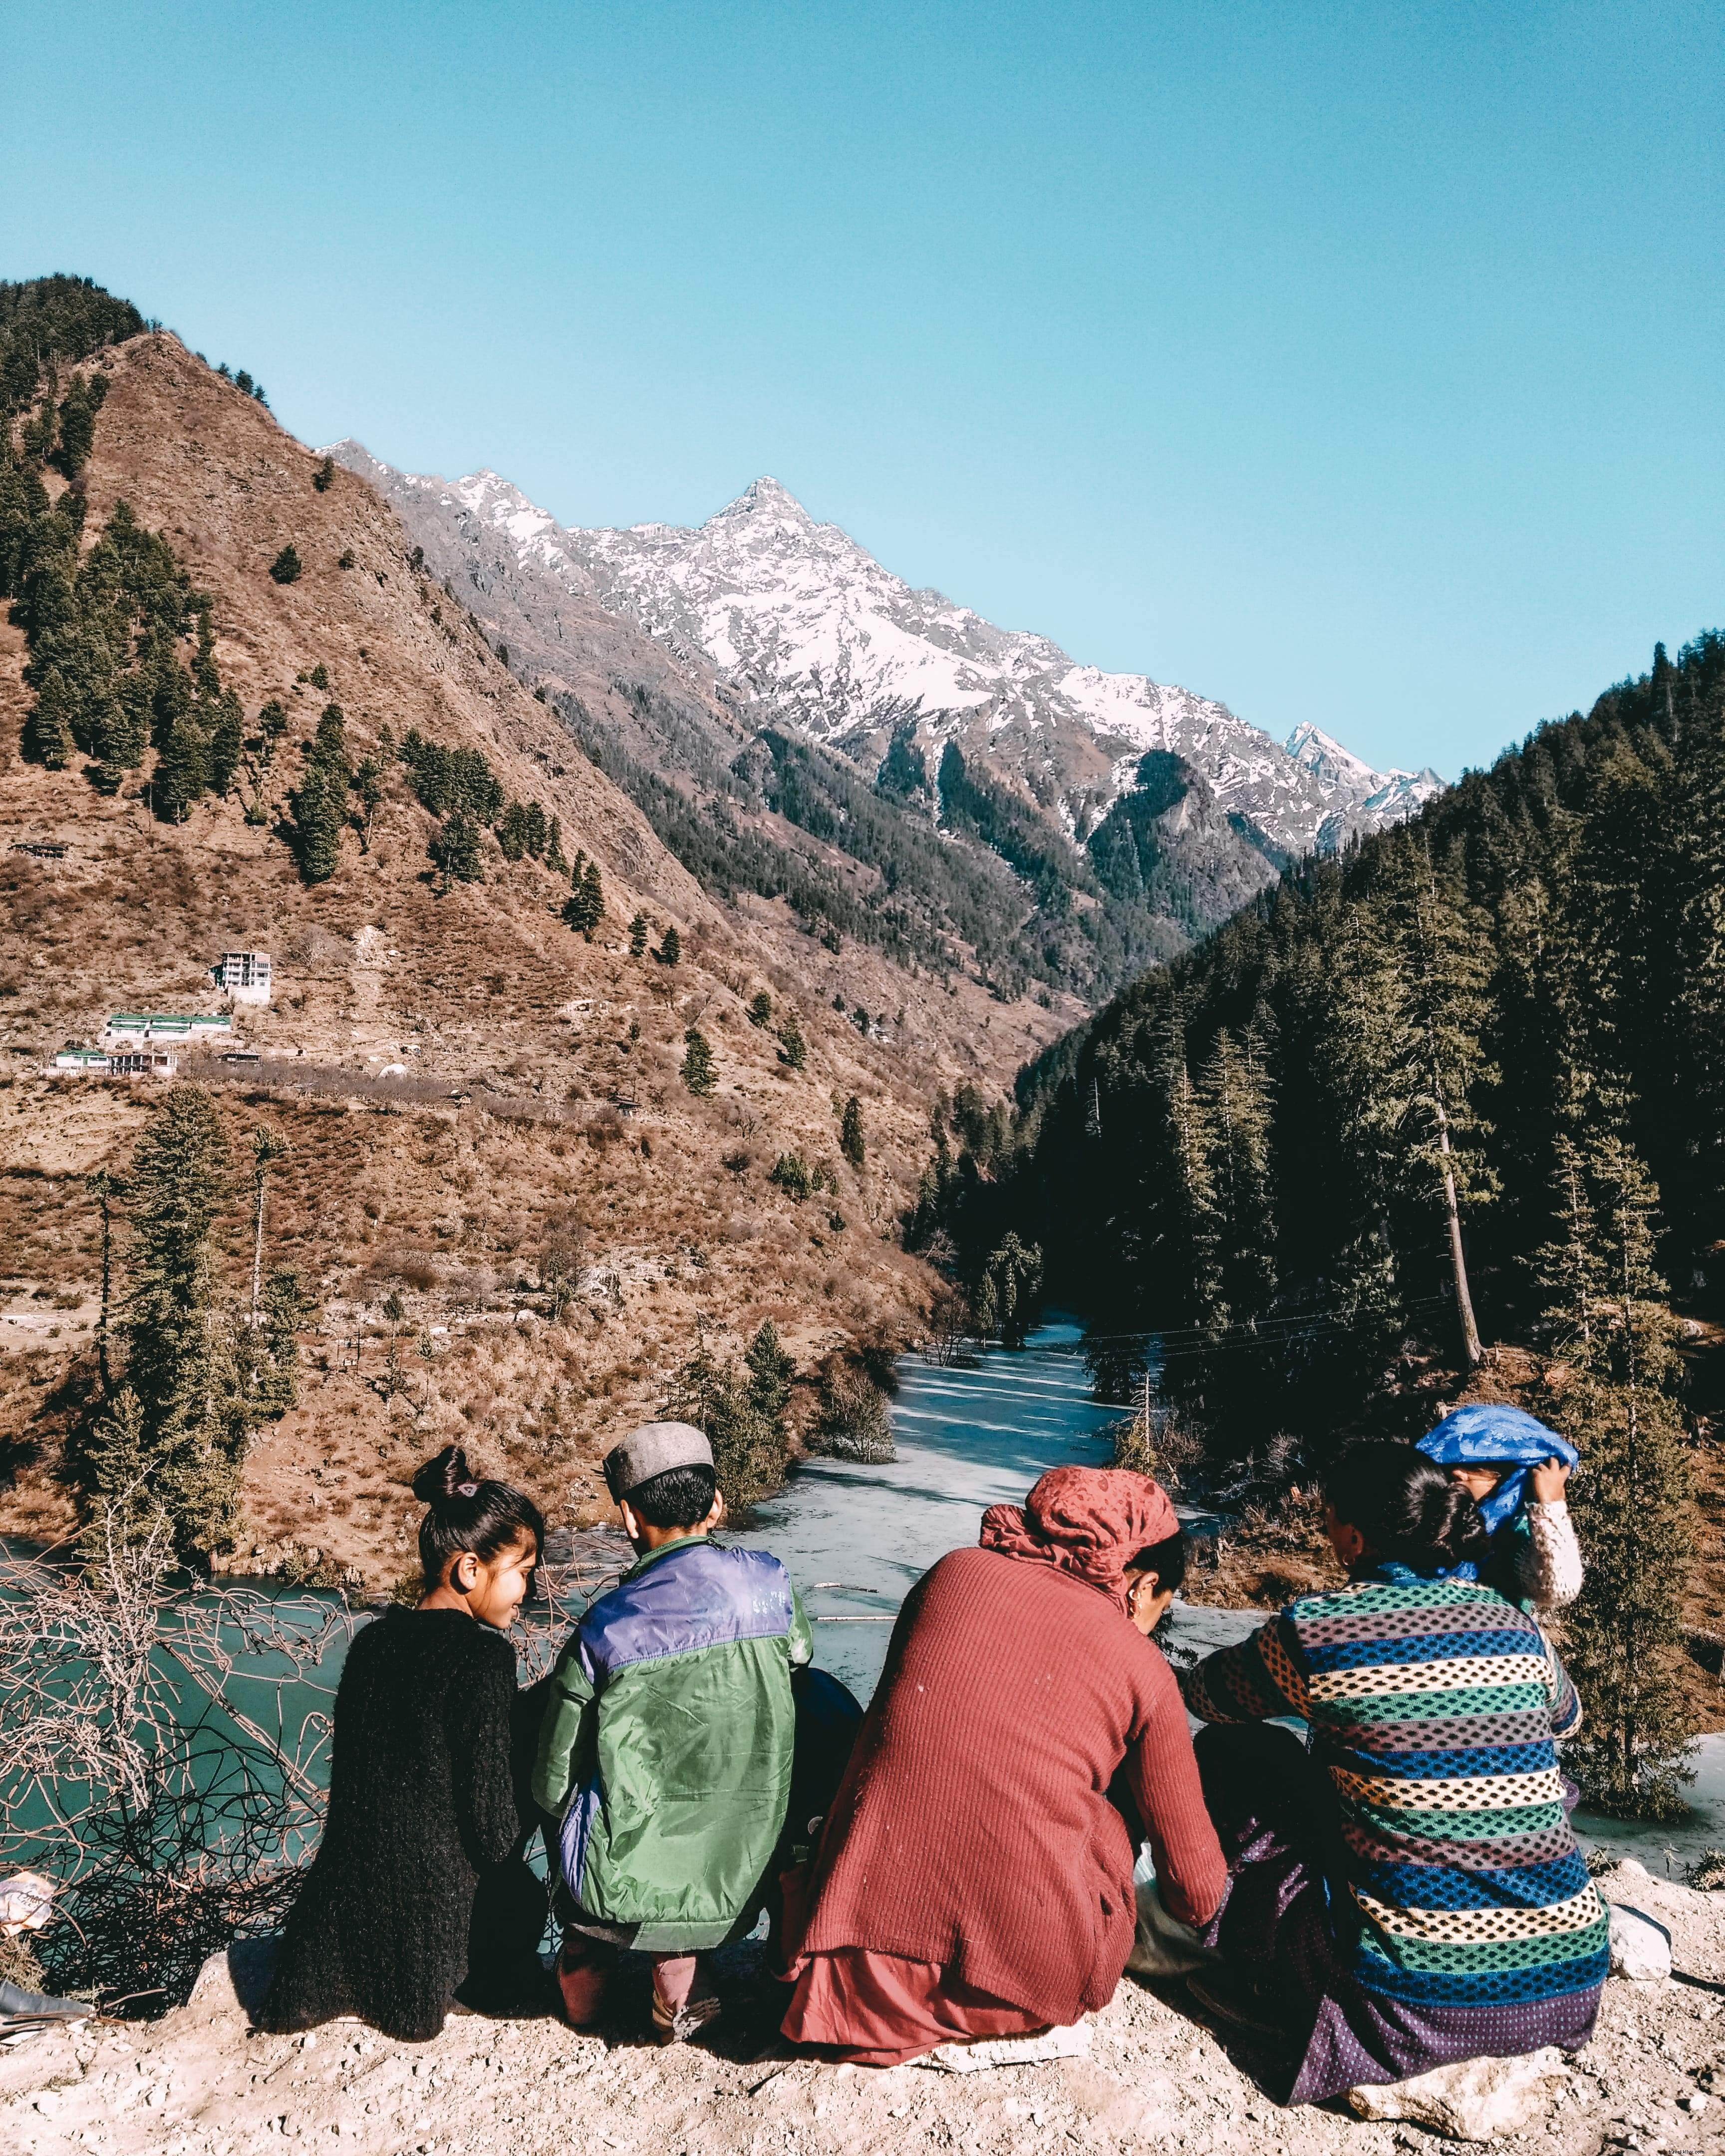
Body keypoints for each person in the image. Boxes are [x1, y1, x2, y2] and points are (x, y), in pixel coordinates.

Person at [1179, 1440, 1607, 2107]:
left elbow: (1208, 1699)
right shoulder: (1514, 1625)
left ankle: (1254, 1964)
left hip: (1410, 2002)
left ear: (1352, 1537)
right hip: (1569, 1981)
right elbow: (1567, 1718)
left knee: (1239, 1756)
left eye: (1328, 1520)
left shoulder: (1320, 1629)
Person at [780, 1466, 1228, 2067]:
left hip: (848, 1972)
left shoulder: (951, 1572)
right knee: (1103, 1822)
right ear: (1141, 1585)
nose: (1150, 1628)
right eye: (1158, 1609)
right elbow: (1197, 1893)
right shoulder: (1140, 1667)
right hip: (1010, 1988)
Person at [532, 1421, 812, 2044]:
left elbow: (553, 1782)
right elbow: (800, 1660)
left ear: (630, 1520)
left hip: (620, 1886)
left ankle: (599, 1982)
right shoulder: (772, 1584)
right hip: (749, 1869)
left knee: (578, 1804)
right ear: (717, 1505)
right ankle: (730, 1967)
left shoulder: (604, 1627)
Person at [258, 1446, 546, 2042]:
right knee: (523, 1891)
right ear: (470, 1571)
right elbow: (493, 1833)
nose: (529, 1589)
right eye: (522, 1571)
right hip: (433, 1930)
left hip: (344, 1920)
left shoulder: (372, 1644)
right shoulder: (484, 1657)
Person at [1415, 1402, 1583, 1613]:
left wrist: (1552, 1507)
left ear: (1512, 1483)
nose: (1457, 1474)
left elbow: (1560, 1587)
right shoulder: (1429, 1505)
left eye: (1476, 1466)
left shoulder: (1513, 1537)